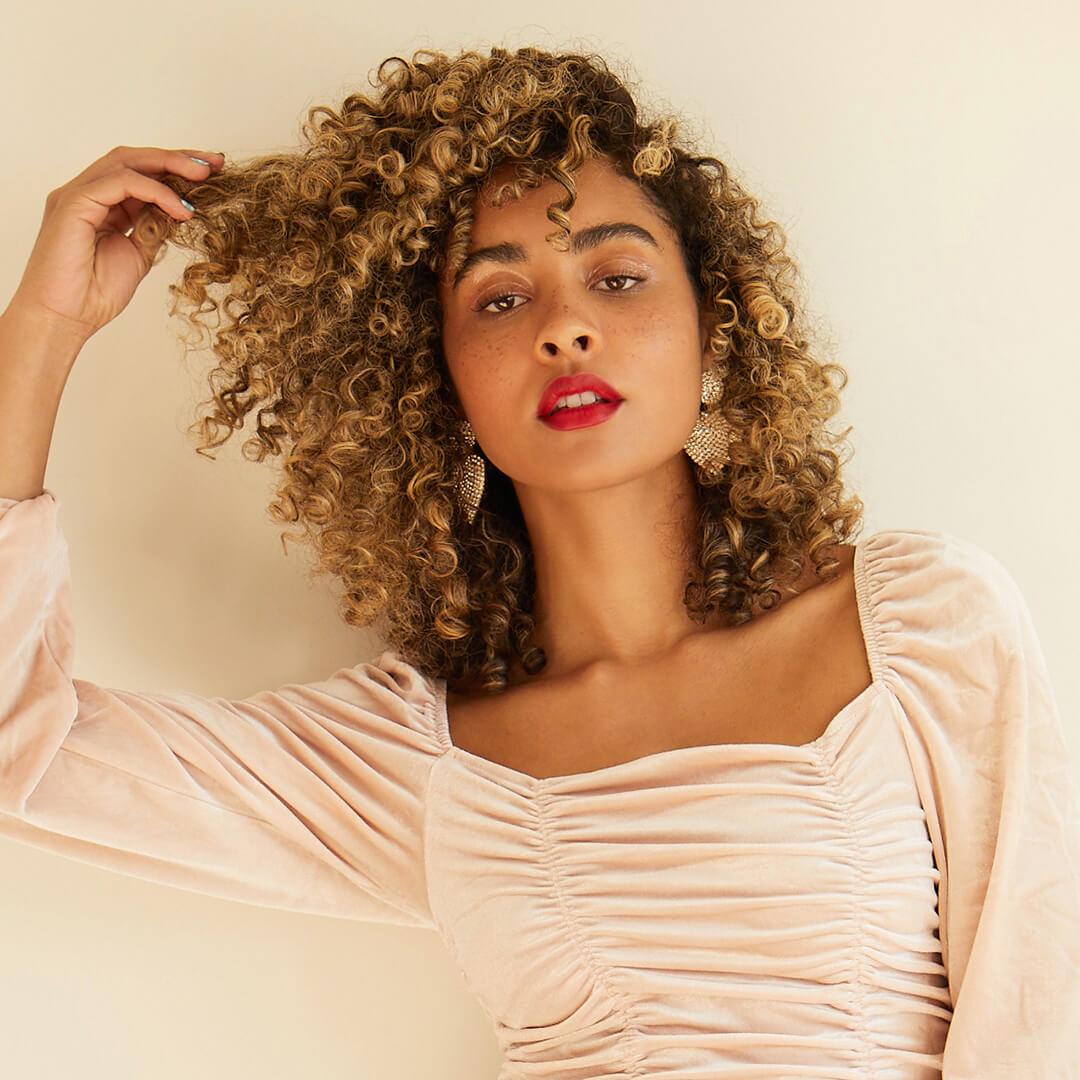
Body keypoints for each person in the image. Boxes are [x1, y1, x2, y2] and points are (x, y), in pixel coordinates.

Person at [1, 44, 1077, 1079]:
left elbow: (1040, 1024)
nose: (564, 329)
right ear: (437, 382)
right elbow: (21, 749)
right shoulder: (420, 755)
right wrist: (43, 329)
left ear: (715, 331)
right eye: (501, 299)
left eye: (618, 277)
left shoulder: (917, 627)